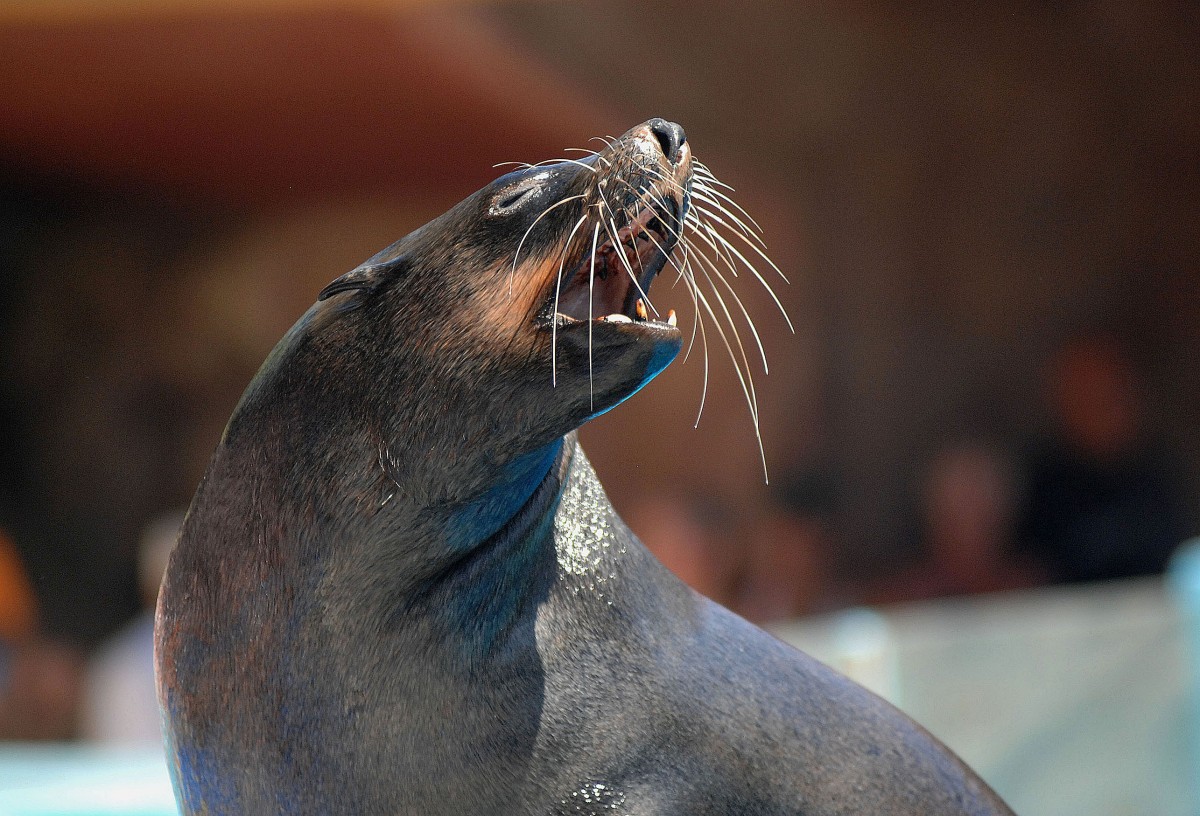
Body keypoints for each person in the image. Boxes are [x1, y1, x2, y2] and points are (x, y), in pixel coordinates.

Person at [1017, 334, 1193, 583]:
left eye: (1104, 391)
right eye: (1081, 390)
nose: (1094, 402)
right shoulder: (1045, 481)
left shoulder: (1155, 474)